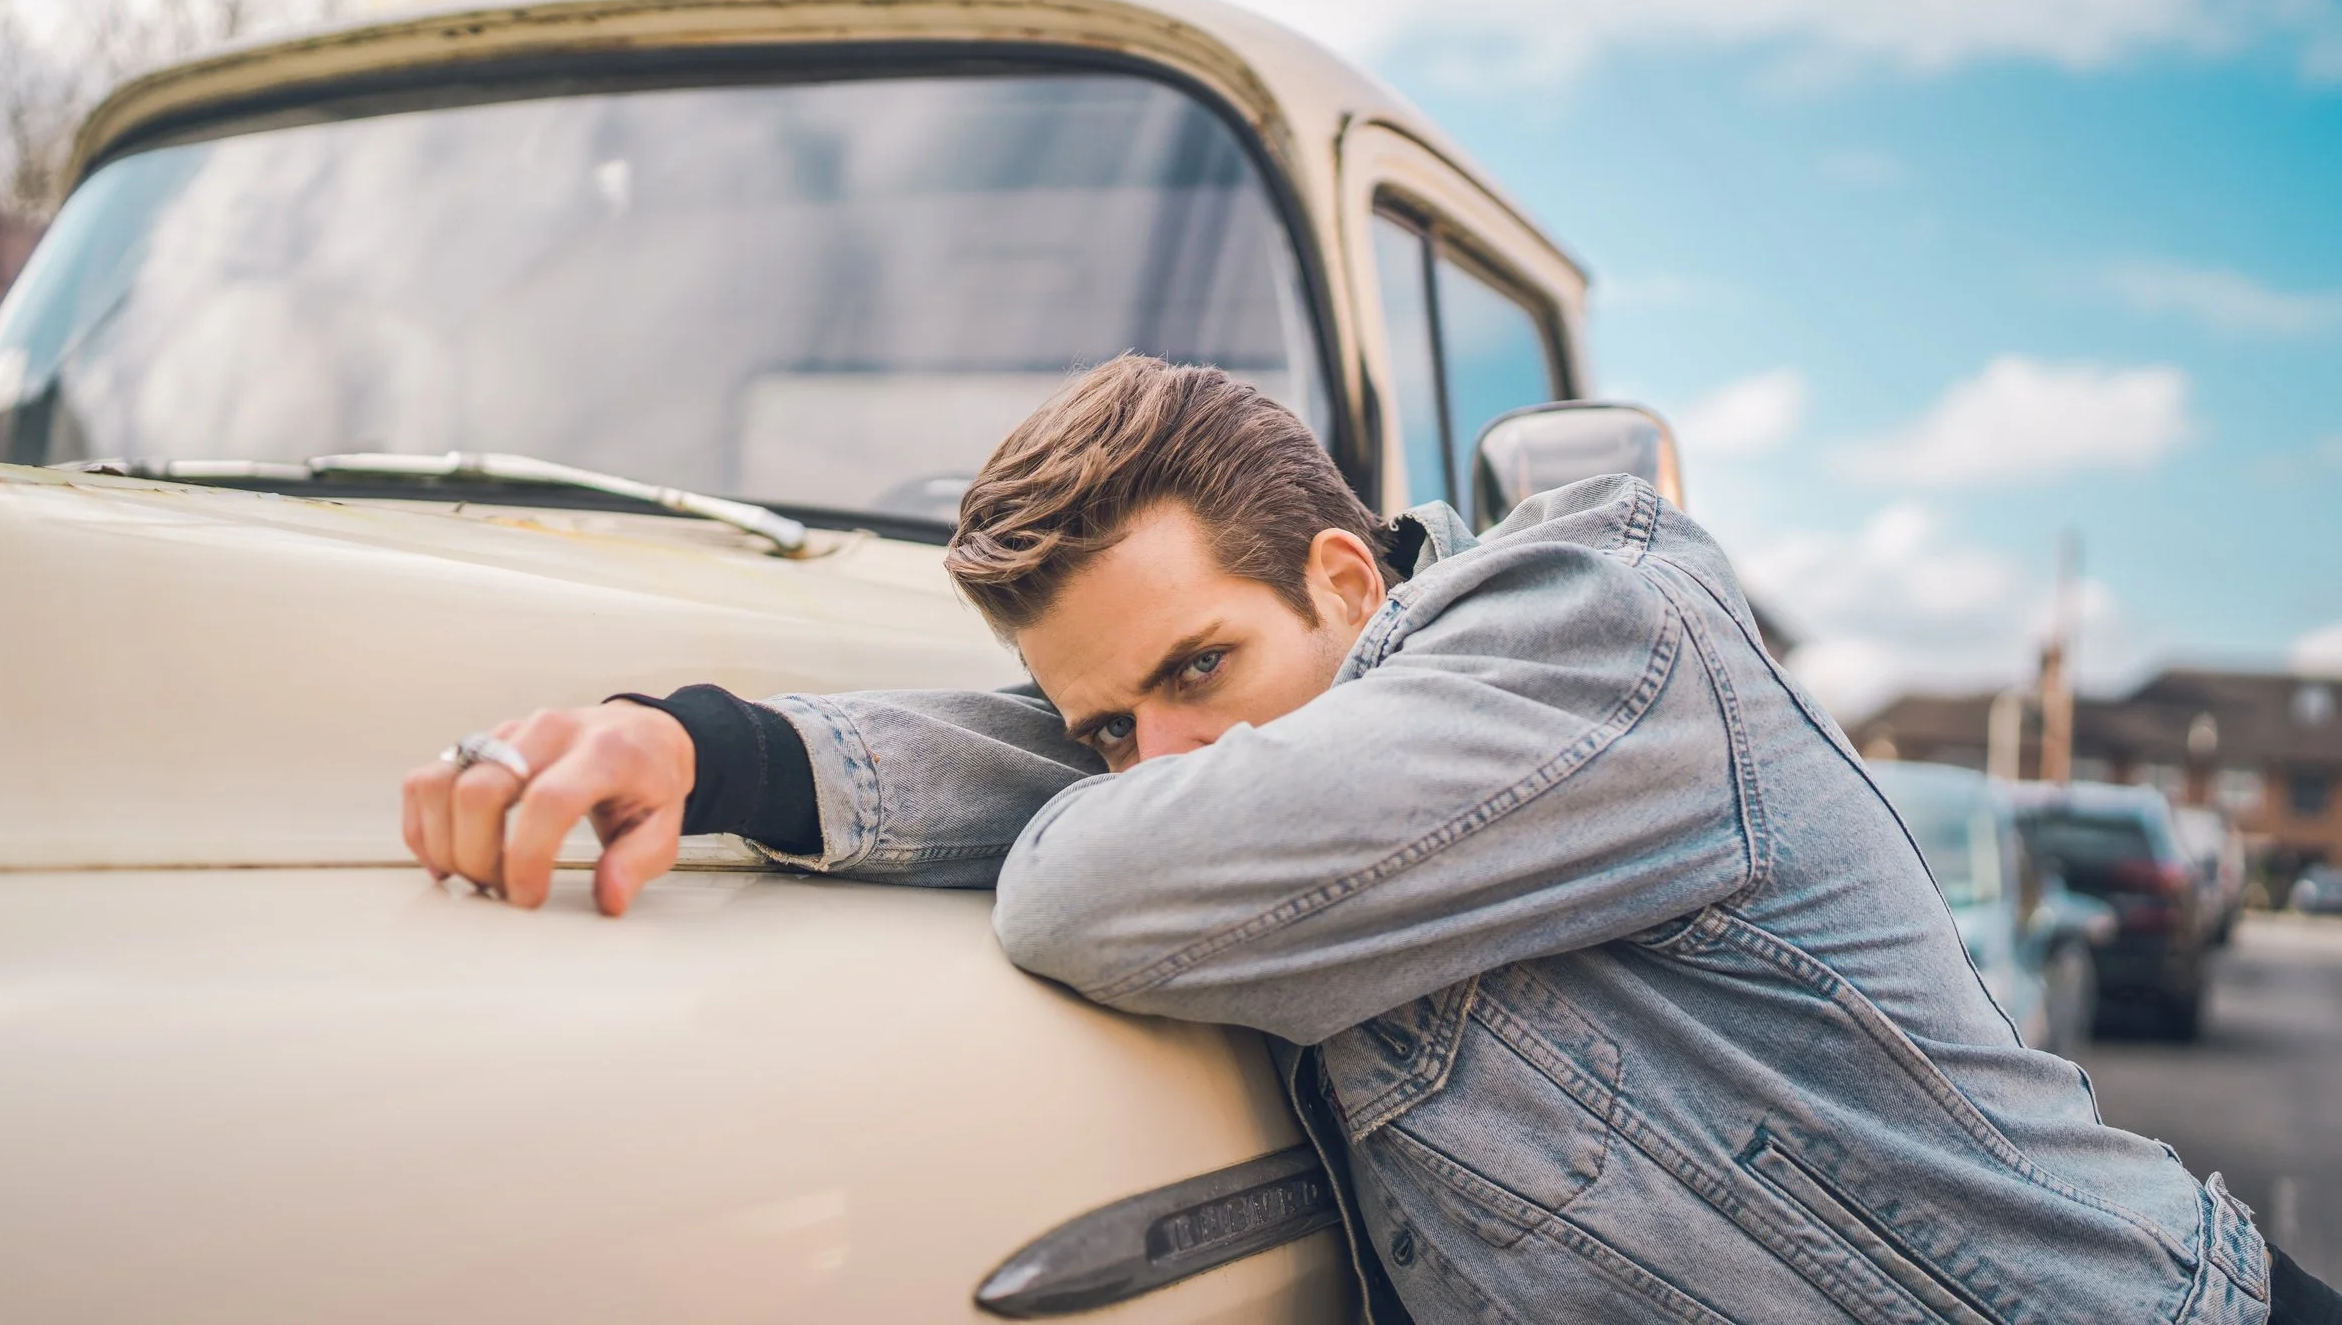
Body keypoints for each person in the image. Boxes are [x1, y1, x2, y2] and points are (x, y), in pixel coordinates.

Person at [403, 355, 2334, 1324]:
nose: (1152, 759)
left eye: (1197, 666)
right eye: (1107, 726)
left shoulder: (1601, 631)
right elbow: (1114, 771)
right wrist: (712, 745)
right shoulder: (1295, 746)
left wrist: (1084, 789)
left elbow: (1096, 867)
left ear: (1347, 571)